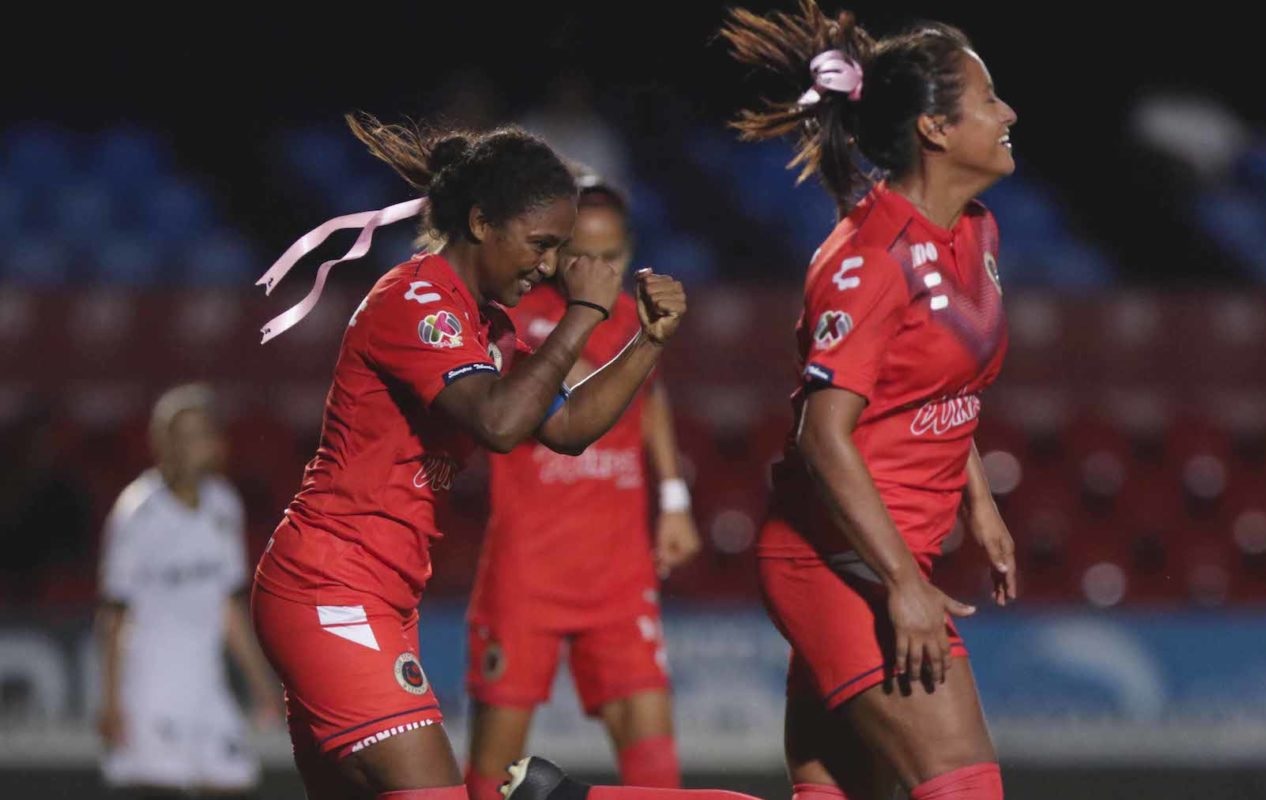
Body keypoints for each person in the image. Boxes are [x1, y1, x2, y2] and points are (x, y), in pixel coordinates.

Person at [507, 2, 1020, 800]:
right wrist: (903, 586)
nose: (1009, 112)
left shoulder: (976, 232)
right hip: (839, 564)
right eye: (990, 100)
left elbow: (935, 383)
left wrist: (976, 499)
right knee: (966, 789)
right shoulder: (867, 261)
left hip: (888, 556)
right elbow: (824, 435)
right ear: (936, 130)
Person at [249, 112, 687, 800]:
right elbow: (499, 422)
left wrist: (648, 343)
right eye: (540, 244)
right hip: (331, 588)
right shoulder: (417, 299)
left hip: (381, 595)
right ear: (482, 222)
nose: (546, 265)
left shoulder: (487, 324)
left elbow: (566, 426)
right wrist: (585, 313)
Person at [464, 175, 700, 800]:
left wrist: (674, 498)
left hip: (618, 570)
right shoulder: (512, 319)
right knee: (495, 766)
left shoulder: (636, 318)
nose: (597, 267)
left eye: (612, 254)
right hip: (528, 569)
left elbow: (650, 402)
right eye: (581, 254)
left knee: (654, 756)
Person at [97, 383, 279, 799]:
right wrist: (109, 701)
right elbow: (113, 613)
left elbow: (228, 608)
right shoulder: (137, 513)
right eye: (185, 435)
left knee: (233, 781)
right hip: (150, 687)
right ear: (162, 442)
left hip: (206, 685)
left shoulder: (224, 506)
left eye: (203, 434)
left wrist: (261, 684)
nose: (197, 445)